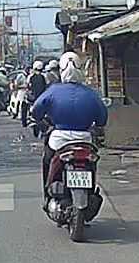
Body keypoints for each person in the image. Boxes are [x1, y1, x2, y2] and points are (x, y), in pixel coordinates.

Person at [29, 66, 107, 200]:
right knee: (92, 162)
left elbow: (36, 110)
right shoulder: (91, 93)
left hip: (59, 140)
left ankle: (47, 195)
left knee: (47, 159)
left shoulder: (54, 90)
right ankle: (91, 190)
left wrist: (41, 121)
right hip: (85, 139)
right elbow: (102, 119)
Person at [24, 61, 49, 127]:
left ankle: (25, 121)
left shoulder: (30, 76)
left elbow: (27, 86)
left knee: (24, 104)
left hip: (33, 98)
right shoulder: (44, 76)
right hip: (42, 98)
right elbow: (47, 86)